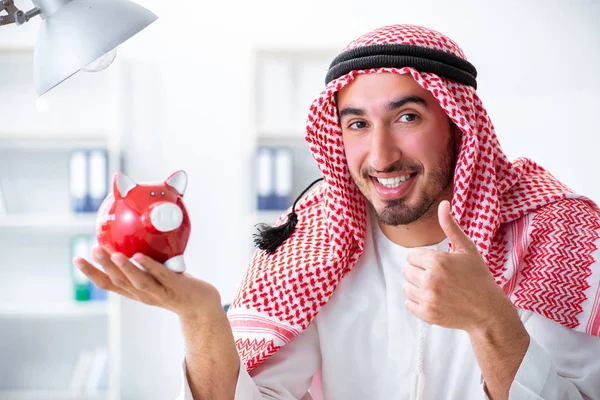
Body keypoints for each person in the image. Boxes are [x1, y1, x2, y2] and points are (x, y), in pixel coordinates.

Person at [74, 24, 600, 399]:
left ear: (459, 124)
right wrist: (203, 319)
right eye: (357, 125)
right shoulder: (315, 241)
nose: (381, 156)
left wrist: (491, 320)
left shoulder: (559, 235)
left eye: (407, 117)